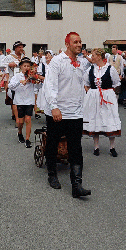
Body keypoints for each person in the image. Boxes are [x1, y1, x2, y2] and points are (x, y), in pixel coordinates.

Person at [44, 32, 91, 197]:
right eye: (76, 42)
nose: (79, 44)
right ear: (68, 44)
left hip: (75, 112)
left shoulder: (81, 63)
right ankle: (52, 174)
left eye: (80, 42)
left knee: (76, 148)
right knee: (52, 143)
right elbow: (50, 85)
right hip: (58, 111)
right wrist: (54, 106)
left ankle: (76, 185)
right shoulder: (57, 61)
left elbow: (81, 86)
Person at [83, 48, 121, 156]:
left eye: (93, 55)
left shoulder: (110, 69)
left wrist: (108, 94)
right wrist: (91, 93)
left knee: (109, 119)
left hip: (107, 98)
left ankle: (112, 147)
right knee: (96, 120)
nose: (92, 57)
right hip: (94, 98)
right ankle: (96, 147)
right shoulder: (90, 69)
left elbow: (116, 83)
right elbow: (85, 83)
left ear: (99, 56)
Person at [8, 57, 38, 148]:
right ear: (21, 67)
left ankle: (28, 139)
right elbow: (10, 86)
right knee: (20, 121)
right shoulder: (17, 76)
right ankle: (20, 132)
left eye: (28, 66)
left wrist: (35, 80)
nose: (26, 68)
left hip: (29, 100)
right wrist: (19, 82)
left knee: (28, 119)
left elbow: (38, 85)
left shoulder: (32, 76)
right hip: (20, 100)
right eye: (24, 66)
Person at [4, 41, 26, 123]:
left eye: (22, 47)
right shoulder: (10, 56)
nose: (21, 48)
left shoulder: (24, 56)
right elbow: (0, 64)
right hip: (13, 78)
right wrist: (9, 64)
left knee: (21, 97)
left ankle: (17, 114)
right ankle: (16, 117)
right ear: (15, 48)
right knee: (14, 98)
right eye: (19, 47)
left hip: (23, 79)